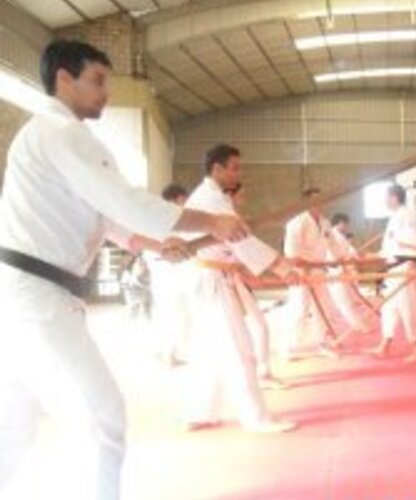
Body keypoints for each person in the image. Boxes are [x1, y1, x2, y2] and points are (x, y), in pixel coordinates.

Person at [0, 40, 253, 500]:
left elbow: (109, 219)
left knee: (14, 425)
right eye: (97, 81)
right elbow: (126, 202)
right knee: (103, 418)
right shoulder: (61, 133)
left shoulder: (53, 138)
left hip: (28, 295)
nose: (106, 93)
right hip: (35, 296)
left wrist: (157, 244)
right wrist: (212, 221)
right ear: (63, 78)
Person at [184, 144, 298, 433]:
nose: (239, 173)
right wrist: (282, 266)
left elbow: (236, 241)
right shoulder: (211, 200)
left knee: (212, 350)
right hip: (212, 281)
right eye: (234, 167)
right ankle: (256, 418)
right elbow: (240, 239)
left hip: (213, 277)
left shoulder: (212, 197)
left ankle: (203, 411)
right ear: (217, 168)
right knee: (240, 349)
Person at [282, 189, 362, 359]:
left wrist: (346, 261)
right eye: (315, 200)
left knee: (324, 309)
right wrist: (305, 267)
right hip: (301, 272)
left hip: (320, 272)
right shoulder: (296, 223)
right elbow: (291, 254)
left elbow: (335, 248)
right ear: (305, 203)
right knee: (299, 309)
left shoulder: (326, 224)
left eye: (322, 199)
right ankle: (290, 347)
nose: (320, 203)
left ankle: (323, 343)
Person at [224, 182, 288, 389]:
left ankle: (263, 372)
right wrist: (283, 269)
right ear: (230, 194)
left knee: (259, 326)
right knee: (233, 336)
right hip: (221, 281)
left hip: (234, 277)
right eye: (241, 193)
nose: (245, 197)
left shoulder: (233, 217)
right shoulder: (225, 219)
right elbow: (246, 249)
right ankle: (253, 376)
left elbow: (244, 253)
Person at [370, 184, 416, 363]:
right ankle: (384, 344)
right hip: (394, 268)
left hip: (405, 267)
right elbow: (391, 247)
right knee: (389, 308)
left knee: (408, 309)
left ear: (394, 197)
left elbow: (414, 241)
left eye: (387, 197)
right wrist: (374, 255)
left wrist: (412, 263)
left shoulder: (407, 215)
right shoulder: (394, 218)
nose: (385, 201)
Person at [147, 184, 193, 366]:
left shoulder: (160, 219)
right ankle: (168, 354)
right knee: (176, 314)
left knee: (170, 314)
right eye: (183, 200)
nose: (185, 204)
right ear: (175, 199)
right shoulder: (166, 220)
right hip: (167, 274)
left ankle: (166, 352)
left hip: (166, 274)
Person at [326, 213, 373, 342]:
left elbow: (347, 254)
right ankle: (359, 326)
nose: (347, 226)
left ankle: (358, 325)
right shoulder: (331, 235)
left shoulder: (340, 237)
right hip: (335, 272)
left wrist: (357, 256)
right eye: (345, 223)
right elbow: (331, 254)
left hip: (343, 272)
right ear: (340, 223)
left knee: (344, 301)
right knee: (342, 302)